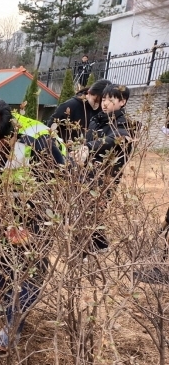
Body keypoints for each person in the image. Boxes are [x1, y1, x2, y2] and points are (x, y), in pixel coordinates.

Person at [0, 98, 66, 352]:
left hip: (41, 210)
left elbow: (60, 188)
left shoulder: (39, 142)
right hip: (10, 205)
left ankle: (14, 326)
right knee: (1, 259)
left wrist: (31, 226)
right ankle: (5, 305)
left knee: (29, 268)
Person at [75, 84, 134, 254]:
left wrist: (88, 147)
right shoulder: (98, 118)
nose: (105, 103)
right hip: (89, 171)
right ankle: (100, 244)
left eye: (111, 99)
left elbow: (115, 137)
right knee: (89, 209)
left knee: (91, 209)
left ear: (122, 102)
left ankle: (84, 251)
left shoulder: (123, 123)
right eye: (104, 99)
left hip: (106, 174)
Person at [47, 79, 111, 143]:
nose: (97, 105)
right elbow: (52, 123)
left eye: (101, 102)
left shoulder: (103, 110)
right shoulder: (72, 105)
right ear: (89, 92)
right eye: (95, 100)